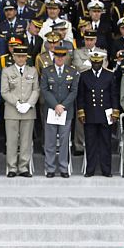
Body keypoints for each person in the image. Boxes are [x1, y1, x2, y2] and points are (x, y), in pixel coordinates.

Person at [77, 51, 119, 177]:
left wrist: (115, 112)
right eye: (94, 63)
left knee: (106, 143)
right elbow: (81, 96)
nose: (96, 65)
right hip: (90, 114)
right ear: (91, 63)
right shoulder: (84, 76)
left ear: (102, 62)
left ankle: (106, 170)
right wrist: (81, 112)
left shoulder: (109, 75)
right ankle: (90, 170)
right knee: (90, 143)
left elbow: (114, 95)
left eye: (99, 63)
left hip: (105, 114)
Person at [41, 46, 79, 178]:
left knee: (64, 142)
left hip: (66, 111)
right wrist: (55, 105)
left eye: (62, 56)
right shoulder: (47, 71)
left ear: (66, 57)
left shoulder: (72, 72)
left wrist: (62, 106)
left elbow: (74, 91)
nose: (60, 58)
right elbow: (44, 90)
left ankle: (63, 168)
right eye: (57, 56)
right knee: (50, 142)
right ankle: (50, 168)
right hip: (51, 110)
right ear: (54, 57)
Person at [1, 44, 38, 177]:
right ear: (13, 56)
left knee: (26, 141)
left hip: (28, 111)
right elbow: (4, 91)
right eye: (18, 56)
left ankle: (23, 167)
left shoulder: (32, 71)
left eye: (23, 56)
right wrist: (16, 103)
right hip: (12, 110)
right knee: (11, 141)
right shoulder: (7, 71)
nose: (21, 59)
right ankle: (11, 167)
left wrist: (28, 104)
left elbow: (36, 90)